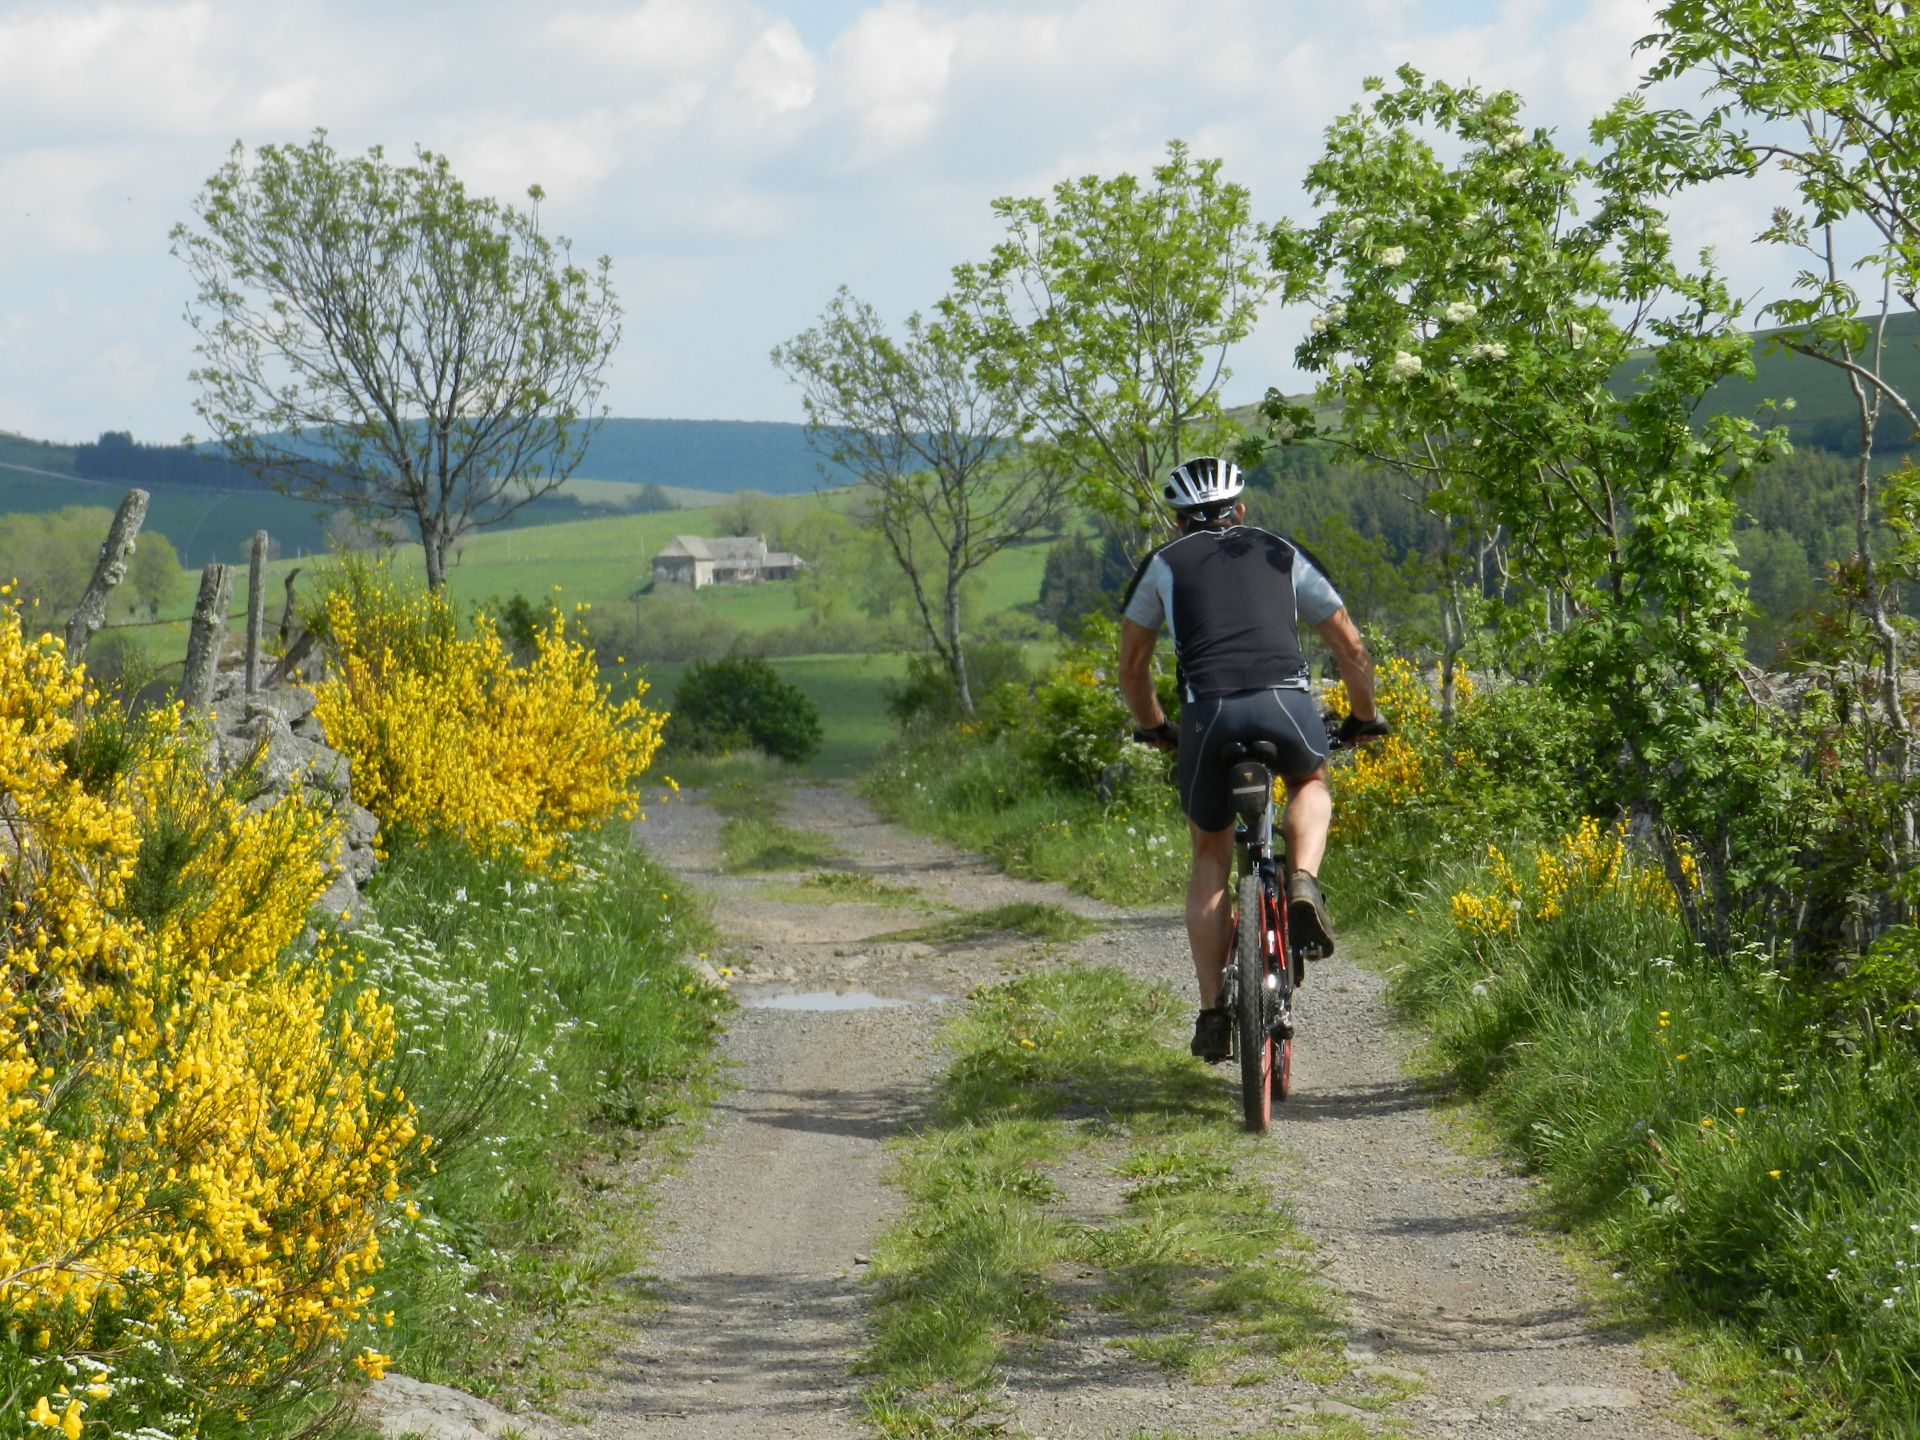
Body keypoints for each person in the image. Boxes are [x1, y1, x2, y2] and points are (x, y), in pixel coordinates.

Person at [1117, 456, 1387, 1062]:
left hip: (1207, 718)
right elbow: (1350, 646)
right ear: (1241, 510)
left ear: (1180, 521)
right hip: (1283, 709)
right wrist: (1363, 717)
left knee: (1210, 852)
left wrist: (1156, 728)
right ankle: (1301, 881)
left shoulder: (1162, 563)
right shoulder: (1281, 551)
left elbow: (1132, 668)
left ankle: (1213, 1011)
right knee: (1311, 782)